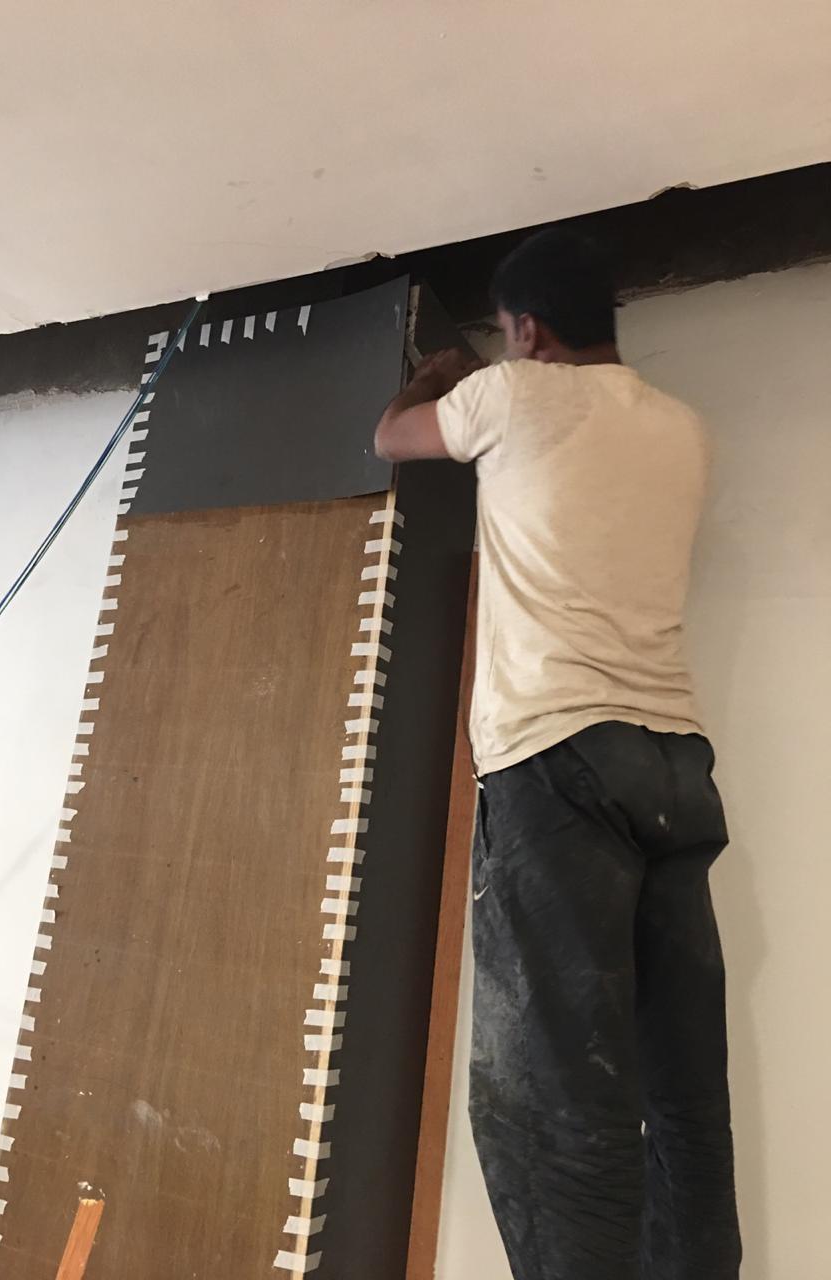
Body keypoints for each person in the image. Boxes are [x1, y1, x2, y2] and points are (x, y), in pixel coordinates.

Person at [374, 228, 741, 1280]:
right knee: (683, 1095)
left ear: (527, 330)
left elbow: (391, 435)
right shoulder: (684, 428)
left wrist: (446, 370)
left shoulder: (508, 394)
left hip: (556, 761)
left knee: (554, 1103)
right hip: (674, 766)